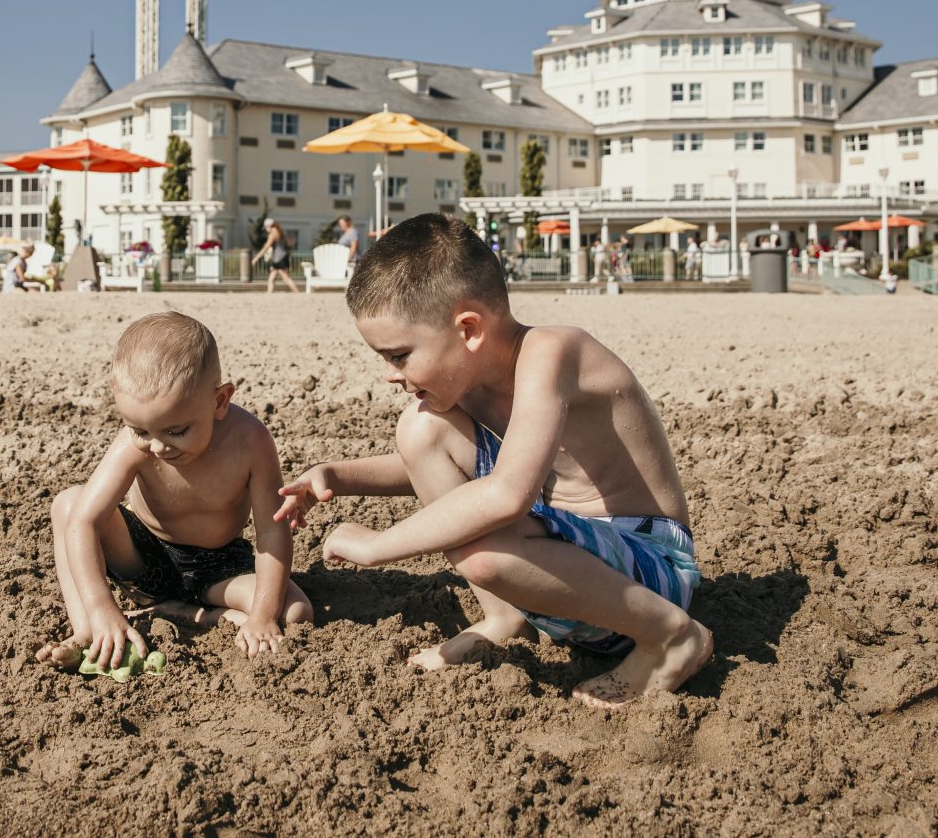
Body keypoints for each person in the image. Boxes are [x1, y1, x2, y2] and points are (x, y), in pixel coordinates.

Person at [274, 213, 709, 708]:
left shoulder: (553, 353)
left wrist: (380, 545)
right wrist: (337, 476)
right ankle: (507, 618)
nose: (390, 375)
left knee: (485, 552)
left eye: (398, 356)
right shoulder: (473, 384)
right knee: (421, 428)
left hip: (651, 577)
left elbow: (506, 494)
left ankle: (672, 638)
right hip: (569, 578)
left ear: (469, 329)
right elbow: (443, 470)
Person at [34, 312, 312, 671]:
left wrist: (261, 616)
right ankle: (88, 630)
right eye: (140, 430)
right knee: (68, 503)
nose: (157, 447)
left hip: (219, 565)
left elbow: (272, 531)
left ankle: (186, 612)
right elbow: (83, 522)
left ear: (220, 401)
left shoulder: (251, 442)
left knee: (295, 612)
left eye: (176, 431)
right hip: (145, 554)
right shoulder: (134, 445)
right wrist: (102, 605)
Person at [252, 218, 298, 294]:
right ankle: (269, 294)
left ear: (268, 226)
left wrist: (256, 257)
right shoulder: (279, 232)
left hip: (279, 259)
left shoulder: (273, 234)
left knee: (286, 278)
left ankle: (297, 293)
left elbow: (266, 247)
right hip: (281, 257)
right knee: (271, 279)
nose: (266, 230)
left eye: (266, 228)